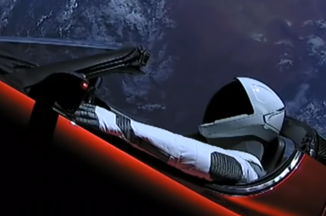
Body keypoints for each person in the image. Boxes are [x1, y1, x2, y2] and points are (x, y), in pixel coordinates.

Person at [72, 77, 286, 184]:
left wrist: (119, 125)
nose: (220, 108)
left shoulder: (247, 172)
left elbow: (187, 153)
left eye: (232, 105)